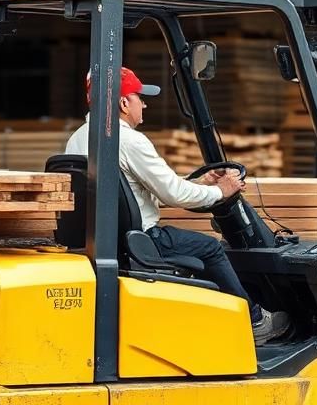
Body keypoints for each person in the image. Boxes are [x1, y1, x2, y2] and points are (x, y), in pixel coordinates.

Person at [66, 66, 290, 345]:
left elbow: (133, 192)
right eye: (139, 97)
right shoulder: (128, 140)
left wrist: (202, 183)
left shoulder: (78, 138)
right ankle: (254, 321)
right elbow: (174, 194)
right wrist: (221, 191)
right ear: (124, 103)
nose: (144, 103)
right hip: (139, 240)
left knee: (198, 248)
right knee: (210, 248)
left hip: (107, 240)